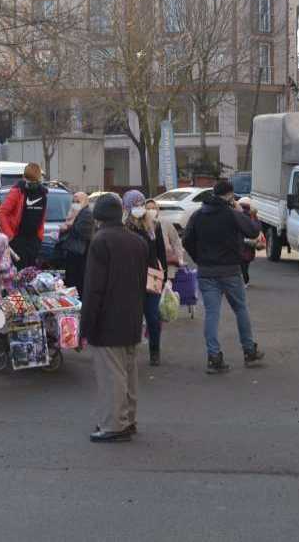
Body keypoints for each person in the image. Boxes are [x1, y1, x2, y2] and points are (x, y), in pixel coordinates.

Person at [80, 193, 148, 443]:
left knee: (112, 375)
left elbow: (94, 288)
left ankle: (114, 425)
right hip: (131, 316)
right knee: (129, 373)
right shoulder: (138, 242)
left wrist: (85, 325)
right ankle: (128, 419)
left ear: (98, 217)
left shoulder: (101, 242)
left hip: (107, 319)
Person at [182, 180, 265, 374]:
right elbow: (253, 231)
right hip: (230, 271)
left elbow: (187, 241)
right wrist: (244, 212)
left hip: (206, 272)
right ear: (229, 195)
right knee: (240, 309)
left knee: (212, 314)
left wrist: (199, 258)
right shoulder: (231, 214)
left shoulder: (197, 215)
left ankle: (214, 357)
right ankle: (249, 350)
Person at [123, 190, 168, 366]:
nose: (140, 208)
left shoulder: (154, 226)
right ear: (127, 207)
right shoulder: (125, 227)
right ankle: (129, 351)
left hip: (151, 277)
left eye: (141, 204)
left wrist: (164, 276)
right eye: (135, 205)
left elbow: (161, 253)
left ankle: (155, 351)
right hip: (131, 278)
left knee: (153, 316)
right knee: (132, 317)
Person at [0, 163, 47, 270]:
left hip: (33, 241)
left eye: (34, 181)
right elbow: (2, 213)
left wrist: (39, 237)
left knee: (32, 273)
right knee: (19, 274)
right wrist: (10, 236)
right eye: (29, 180)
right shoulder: (17, 191)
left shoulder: (42, 193)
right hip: (18, 239)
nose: (31, 184)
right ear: (24, 178)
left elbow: (42, 217)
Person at [58, 192, 94, 291]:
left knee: (77, 282)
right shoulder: (75, 212)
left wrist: (68, 227)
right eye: (73, 201)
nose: (75, 204)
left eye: (78, 201)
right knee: (71, 281)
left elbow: (83, 232)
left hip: (80, 254)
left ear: (85, 201)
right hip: (73, 252)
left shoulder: (86, 213)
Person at [237, 197, 262, 287]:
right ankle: (245, 281)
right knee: (245, 265)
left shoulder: (238, 215)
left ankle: (244, 281)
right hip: (250, 245)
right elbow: (258, 228)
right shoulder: (253, 216)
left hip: (240, 244)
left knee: (240, 265)